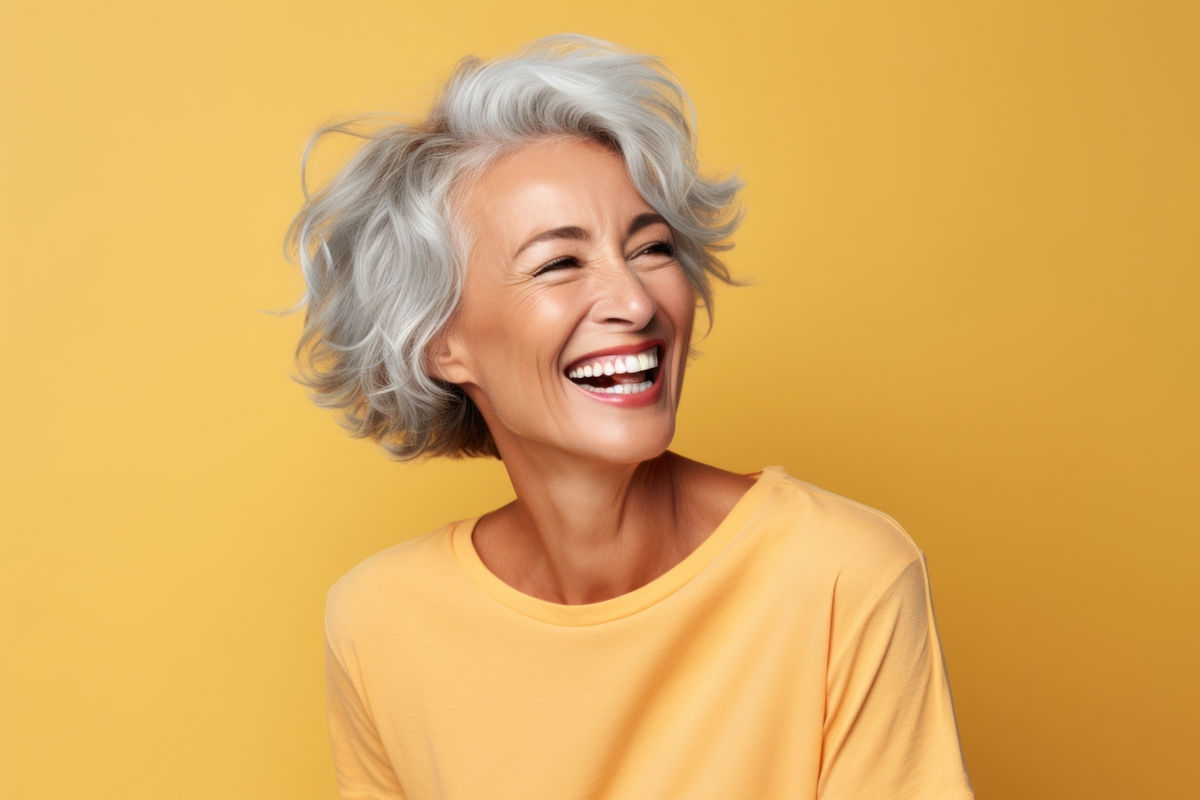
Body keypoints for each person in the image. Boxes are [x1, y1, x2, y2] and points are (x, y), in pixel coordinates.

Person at [287, 34, 974, 800]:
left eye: (650, 248)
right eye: (560, 263)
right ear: (441, 342)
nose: (636, 302)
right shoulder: (379, 621)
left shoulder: (843, 573)